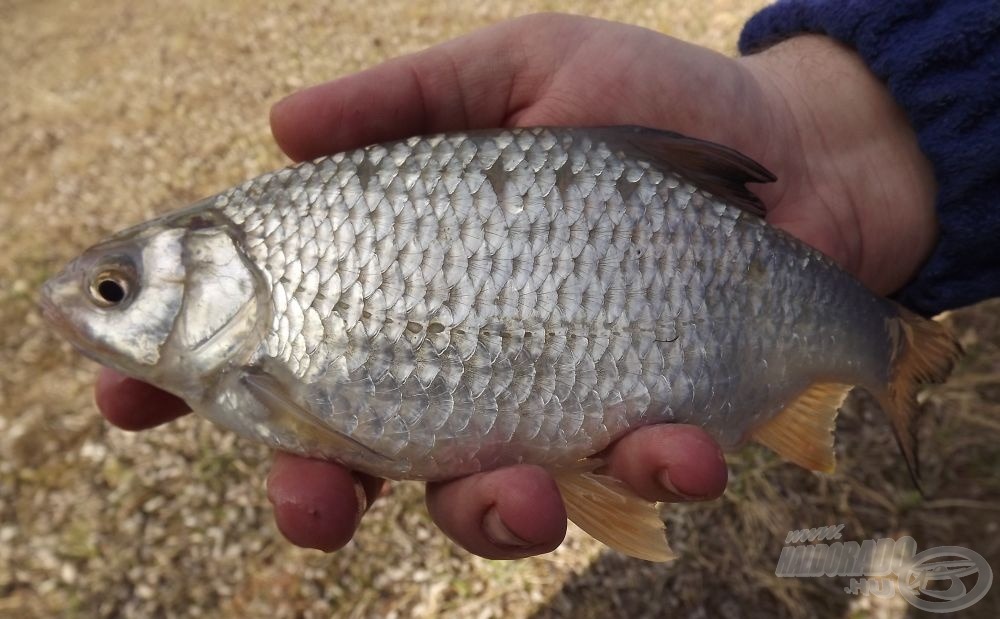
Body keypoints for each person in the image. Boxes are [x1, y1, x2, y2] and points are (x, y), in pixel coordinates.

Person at [96, 3, 1000, 559]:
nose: (103, 310)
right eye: (119, 290)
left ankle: (889, 350)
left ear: (215, 270)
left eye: (115, 291)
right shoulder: (246, 351)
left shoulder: (255, 365)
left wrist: (817, 123)